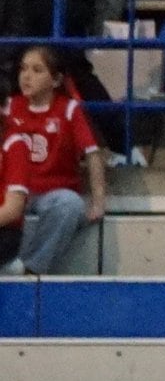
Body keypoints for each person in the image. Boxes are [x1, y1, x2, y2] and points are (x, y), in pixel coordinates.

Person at [0, 44, 104, 274]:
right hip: (13, 193)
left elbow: (93, 154)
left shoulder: (68, 109)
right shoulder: (9, 106)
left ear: (56, 80)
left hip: (51, 193)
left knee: (70, 204)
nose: (26, 76)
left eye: (37, 70)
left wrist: (98, 201)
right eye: (23, 69)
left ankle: (31, 269)